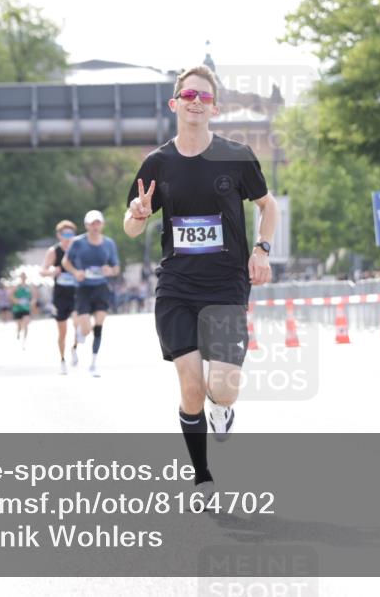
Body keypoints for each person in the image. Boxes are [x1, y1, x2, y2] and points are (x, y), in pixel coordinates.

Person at [123, 64, 277, 504]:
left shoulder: (237, 155)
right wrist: (136, 214)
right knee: (190, 385)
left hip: (226, 285)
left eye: (204, 98)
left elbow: (269, 208)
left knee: (221, 387)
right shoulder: (156, 163)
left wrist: (261, 249)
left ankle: (222, 410)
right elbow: (132, 227)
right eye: (188, 96)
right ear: (175, 104)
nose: (195, 102)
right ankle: (202, 477)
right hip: (176, 287)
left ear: (214, 107)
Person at [62, 210, 120, 377]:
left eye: (97, 223)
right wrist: (75, 272)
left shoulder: (109, 243)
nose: (95, 226)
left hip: (101, 287)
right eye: (91, 223)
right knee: (86, 328)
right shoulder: (78, 242)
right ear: (86, 225)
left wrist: (110, 270)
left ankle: (93, 362)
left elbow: (116, 267)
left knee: (99, 325)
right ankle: (74, 346)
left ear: (102, 224)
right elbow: (65, 261)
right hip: (83, 288)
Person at [40, 220, 80, 374]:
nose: (68, 237)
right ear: (59, 235)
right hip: (60, 295)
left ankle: (75, 348)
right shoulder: (54, 251)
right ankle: (62, 360)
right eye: (65, 234)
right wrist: (52, 271)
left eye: (71, 233)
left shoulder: (78, 249)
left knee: (78, 324)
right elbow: (42, 270)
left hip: (76, 293)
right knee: (62, 332)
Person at [10, 272, 34, 349]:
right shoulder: (17, 287)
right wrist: (16, 301)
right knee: (19, 325)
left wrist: (32, 302)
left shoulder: (29, 287)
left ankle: (24, 342)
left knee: (26, 323)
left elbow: (34, 296)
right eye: (22, 277)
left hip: (26, 309)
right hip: (17, 308)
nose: (23, 278)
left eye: (24, 277)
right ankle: (18, 332)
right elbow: (10, 295)